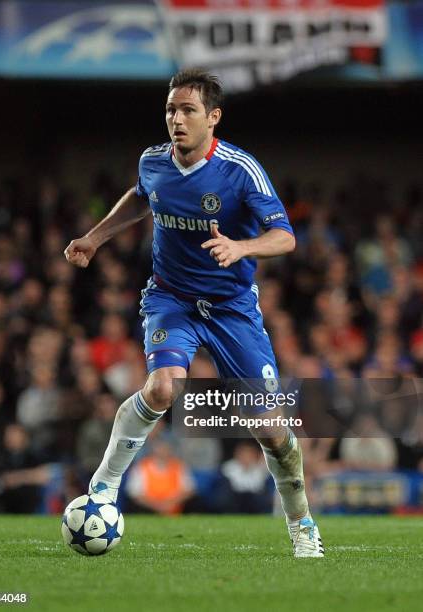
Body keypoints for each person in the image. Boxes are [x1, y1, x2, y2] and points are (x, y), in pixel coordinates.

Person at [64, 68, 324, 558]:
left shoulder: (240, 169)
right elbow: (142, 198)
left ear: (213, 117)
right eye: (170, 110)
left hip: (231, 308)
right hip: (171, 297)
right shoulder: (153, 161)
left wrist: (241, 247)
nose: (176, 120)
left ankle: (302, 523)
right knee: (162, 387)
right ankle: (103, 485)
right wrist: (94, 238)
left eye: (187, 110)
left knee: (269, 426)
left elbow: (285, 236)